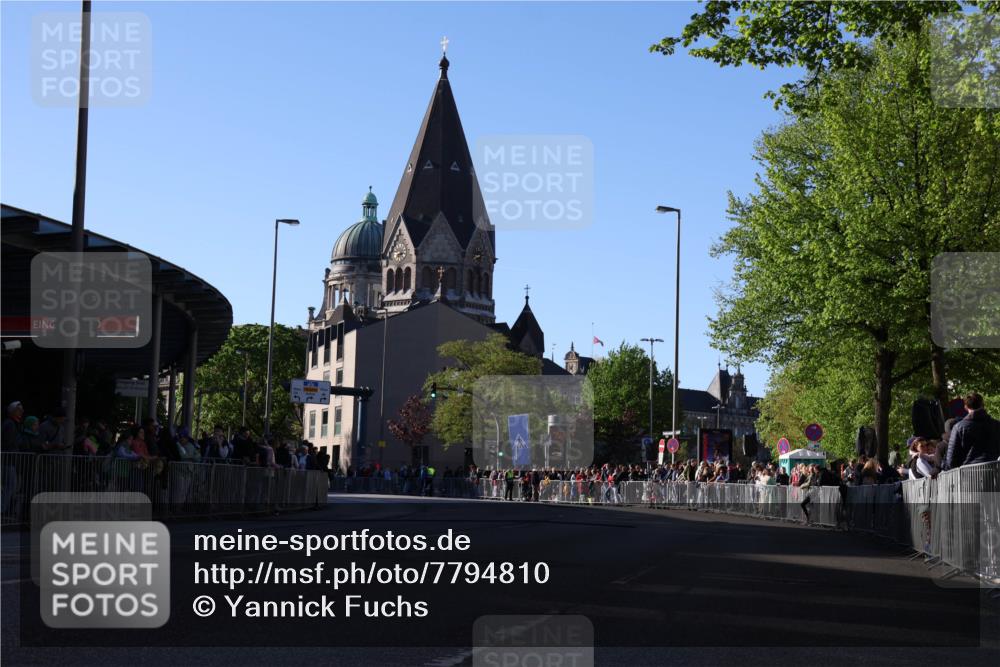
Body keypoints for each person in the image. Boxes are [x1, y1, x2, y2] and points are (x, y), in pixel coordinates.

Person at [945, 392, 1000, 470]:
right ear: (982, 404)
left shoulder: (959, 427)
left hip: (969, 475)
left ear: (966, 407)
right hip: (995, 473)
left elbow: (951, 460)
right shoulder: (997, 425)